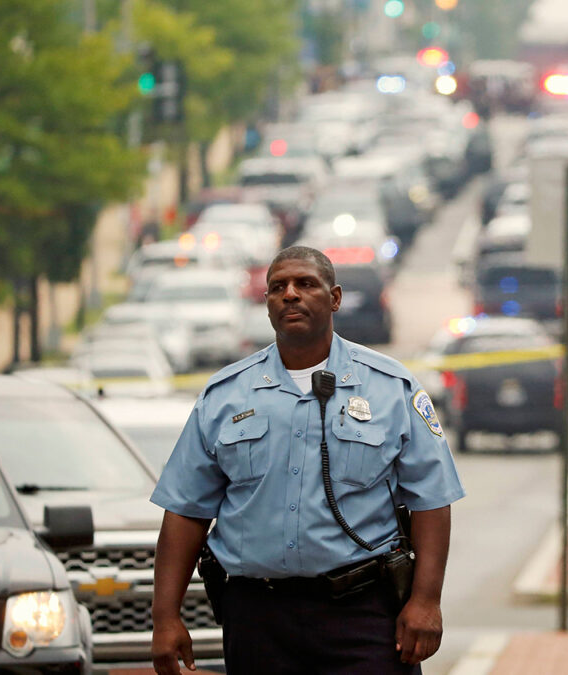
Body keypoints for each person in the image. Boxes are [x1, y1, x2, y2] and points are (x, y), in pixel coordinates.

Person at [150, 246, 464, 674]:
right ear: (266, 304)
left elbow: (432, 499)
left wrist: (426, 601)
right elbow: (186, 511)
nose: (290, 295)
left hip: (364, 615)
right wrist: (165, 617)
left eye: (305, 284)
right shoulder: (225, 396)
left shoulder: (391, 388)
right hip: (258, 620)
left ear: (334, 298)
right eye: (277, 287)